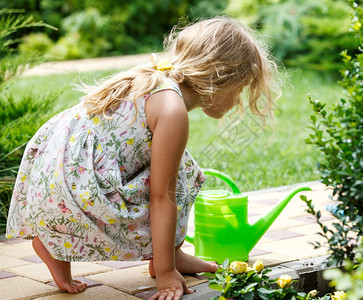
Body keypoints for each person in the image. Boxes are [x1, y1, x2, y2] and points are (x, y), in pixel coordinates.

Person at [6, 16, 280, 300]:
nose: (238, 100)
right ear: (222, 78)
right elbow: (162, 196)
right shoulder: (172, 111)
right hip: (76, 194)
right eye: (241, 89)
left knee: (177, 167)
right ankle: (152, 259)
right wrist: (165, 275)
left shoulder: (156, 79)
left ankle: (162, 252)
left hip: (50, 181)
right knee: (175, 180)